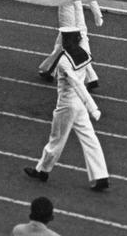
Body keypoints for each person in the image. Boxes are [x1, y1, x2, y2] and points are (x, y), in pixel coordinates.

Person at [22, 31, 109, 192]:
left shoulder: (64, 61)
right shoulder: (84, 54)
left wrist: (93, 107)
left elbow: (77, 84)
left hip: (67, 105)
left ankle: (42, 170)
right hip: (80, 106)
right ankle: (100, 175)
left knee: (56, 140)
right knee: (90, 138)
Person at [35, 0, 101, 91]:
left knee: (67, 46)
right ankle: (50, 71)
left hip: (67, 12)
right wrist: (97, 14)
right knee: (63, 45)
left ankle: (91, 78)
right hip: (76, 13)